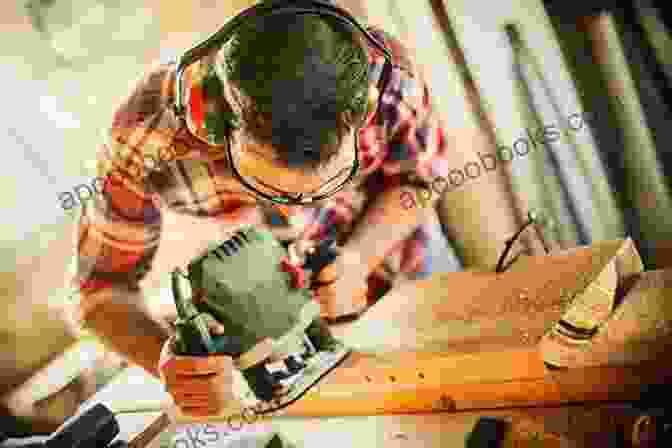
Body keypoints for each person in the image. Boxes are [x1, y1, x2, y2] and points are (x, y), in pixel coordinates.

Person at [64, 1, 455, 420]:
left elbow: (421, 180)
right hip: (276, 338)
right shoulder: (146, 136)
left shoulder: (391, 80)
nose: (305, 209)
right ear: (209, 122)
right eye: (274, 189)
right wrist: (176, 367)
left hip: (404, 284)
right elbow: (98, 292)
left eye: (332, 182)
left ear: (365, 107)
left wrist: (360, 257)